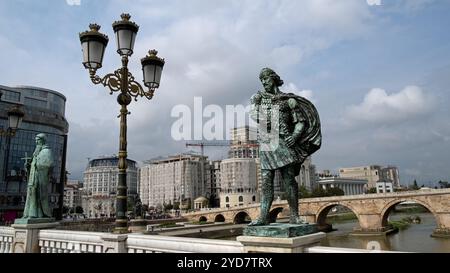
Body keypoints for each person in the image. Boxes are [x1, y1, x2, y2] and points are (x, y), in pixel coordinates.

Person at [249, 68, 322, 226]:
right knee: (267, 181)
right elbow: (255, 115)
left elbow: (300, 122)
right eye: (262, 81)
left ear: (274, 79)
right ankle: (263, 216)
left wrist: (295, 136)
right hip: (267, 144)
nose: (264, 83)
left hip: (284, 143)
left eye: (266, 79)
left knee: (289, 179)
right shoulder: (259, 98)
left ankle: (294, 216)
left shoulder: (289, 100)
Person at [22, 133, 54, 219]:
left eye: (38, 140)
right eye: (36, 141)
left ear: (43, 141)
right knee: (31, 193)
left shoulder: (47, 151)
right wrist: (28, 165)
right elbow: (32, 165)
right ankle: (29, 213)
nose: (36, 142)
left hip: (39, 177)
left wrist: (38, 164)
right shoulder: (36, 153)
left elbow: (49, 164)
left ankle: (37, 214)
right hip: (32, 177)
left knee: (38, 194)